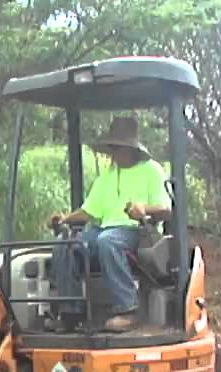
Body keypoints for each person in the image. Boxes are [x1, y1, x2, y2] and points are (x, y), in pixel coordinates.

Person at [48, 116, 172, 332]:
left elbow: (166, 209)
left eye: (118, 148)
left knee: (108, 241)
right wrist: (65, 219)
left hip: (137, 232)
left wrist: (143, 209)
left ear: (132, 148)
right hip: (103, 231)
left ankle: (128, 309)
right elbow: (89, 211)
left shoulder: (151, 170)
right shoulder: (107, 176)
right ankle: (71, 312)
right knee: (65, 242)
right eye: (112, 148)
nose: (114, 153)